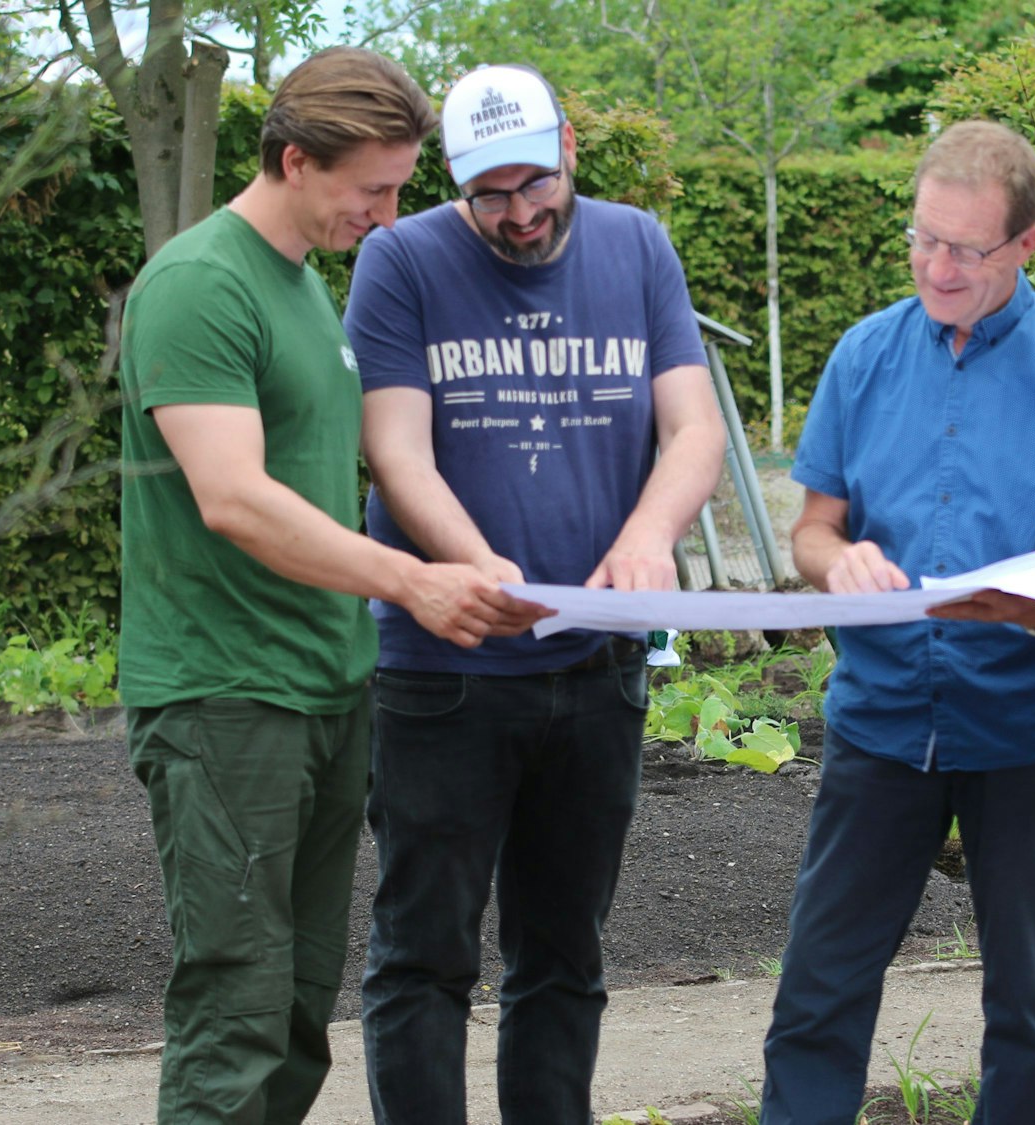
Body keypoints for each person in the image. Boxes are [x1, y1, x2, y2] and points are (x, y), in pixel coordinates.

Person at [117, 48, 544, 1124]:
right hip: (225, 699)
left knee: (299, 1008)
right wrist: (415, 581)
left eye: (401, 187)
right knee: (234, 1006)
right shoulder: (198, 285)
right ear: (295, 161)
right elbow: (234, 499)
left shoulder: (305, 289)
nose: (391, 216)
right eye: (372, 189)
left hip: (321, 688)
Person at [341, 63, 726, 1125]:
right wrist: (476, 564)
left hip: (596, 671)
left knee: (563, 954)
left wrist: (649, 536)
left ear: (567, 146)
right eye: (486, 197)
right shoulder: (400, 258)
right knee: (422, 958)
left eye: (529, 185)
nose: (514, 216)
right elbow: (395, 452)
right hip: (443, 676)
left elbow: (691, 426)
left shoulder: (636, 243)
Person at [760, 120, 1035, 1124]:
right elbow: (810, 530)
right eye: (922, 239)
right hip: (878, 719)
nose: (935, 266)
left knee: (1025, 1006)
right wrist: (837, 560)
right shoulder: (861, 355)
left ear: (1027, 246)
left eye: (964, 249)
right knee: (817, 993)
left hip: (1027, 727)